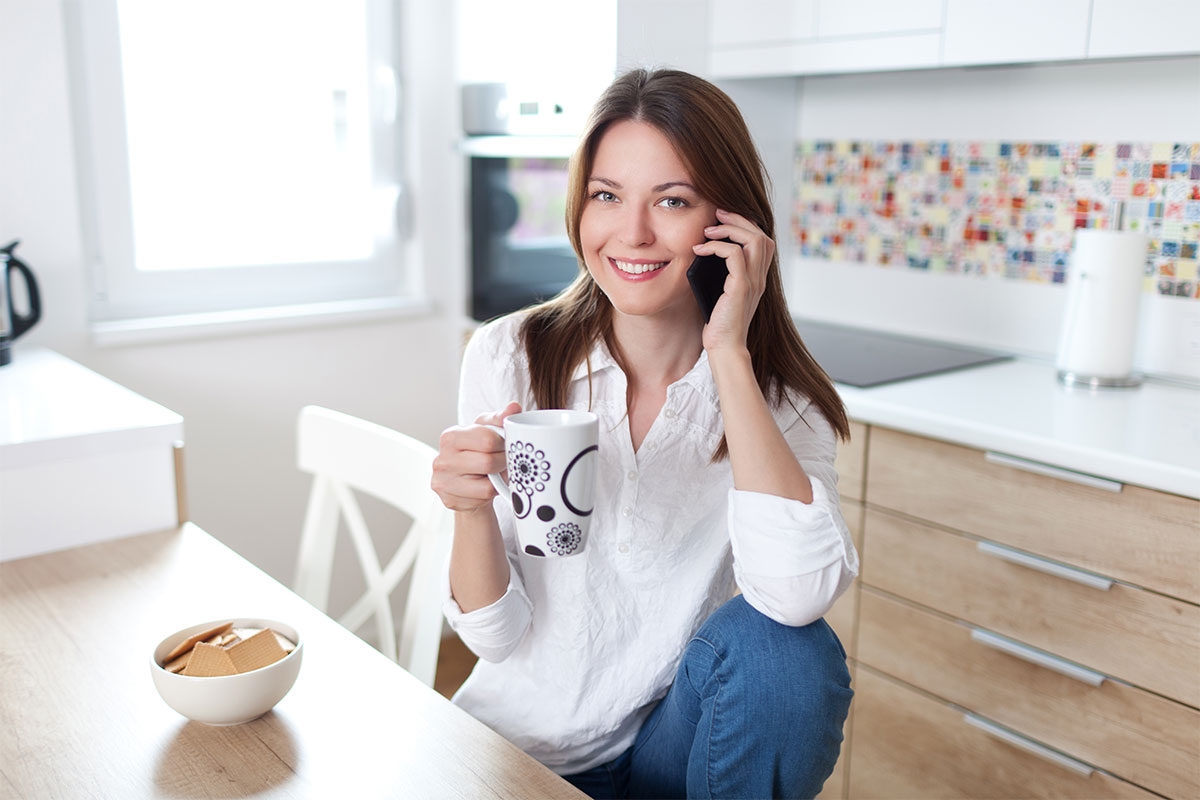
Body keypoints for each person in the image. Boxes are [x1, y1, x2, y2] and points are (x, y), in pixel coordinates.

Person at [431, 68, 855, 800]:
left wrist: (729, 355)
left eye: (672, 200)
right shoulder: (510, 356)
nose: (632, 233)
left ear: (730, 224)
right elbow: (494, 638)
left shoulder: (780, 403)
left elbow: (795, 597)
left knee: (792, 657)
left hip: (677, 748)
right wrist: (470, 509)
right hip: (520, 746)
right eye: (607, 196)